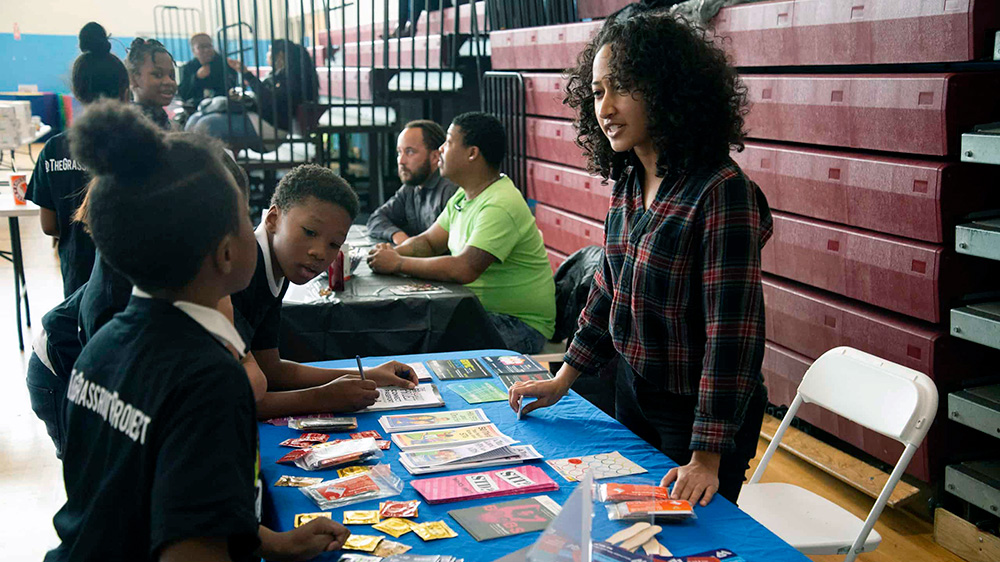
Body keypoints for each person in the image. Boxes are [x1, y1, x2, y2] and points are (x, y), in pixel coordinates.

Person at [46, 100, 349, 561]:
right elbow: (191, 551)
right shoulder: (210, 380)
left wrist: (274, 542)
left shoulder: (104, 344)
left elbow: (168, 497)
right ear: (226, 254)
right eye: (246, 219)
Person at [509, 11, 771, 508]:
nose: (604, 107)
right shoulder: (631, 180)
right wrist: (565, 378)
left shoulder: (722, 192)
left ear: (667, 89)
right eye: (597, 91)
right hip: (632, 388)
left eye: (621, 88)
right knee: (627, 527)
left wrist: (707, 456)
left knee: (685, 542)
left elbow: (732, 337)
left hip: (696, 415)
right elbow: (608, 290)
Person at [26, 132, 264, 459]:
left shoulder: (139, 317)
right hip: (55, 362)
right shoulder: (120, 312)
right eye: (247, 219)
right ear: (223, 251)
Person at [231, 164, 420, 419]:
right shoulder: (236, 275)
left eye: (334, 244)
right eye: (309, 232)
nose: (320, 253)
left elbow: (271, 370)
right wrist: (320, 398)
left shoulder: (278, 267)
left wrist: (368, 374)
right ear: (274, 218)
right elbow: (233, 399)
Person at [368, 112, 556, 354]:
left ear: (472, 153)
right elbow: (429, 242)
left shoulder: (500, 203)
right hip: (477, 312)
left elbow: (464, 268)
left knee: (421, 343)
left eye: (448, 142)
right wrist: (393, 252)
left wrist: (398, 263)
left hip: (519, 325)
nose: (441, 150)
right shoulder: (464, 195)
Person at [26, 22, 129, 298]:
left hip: (78, 283)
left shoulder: (53, 149)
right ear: (125, 90)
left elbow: (49, 226)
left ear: (78, 92)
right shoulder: (137, 145)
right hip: (131, 281)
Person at [367, 120, 458, 244]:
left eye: (410, 152)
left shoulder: (451, 190)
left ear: (435, 157)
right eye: (399, 152)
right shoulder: (410, 187)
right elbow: (376, 218)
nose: (401, 161)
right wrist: (398, 236)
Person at [227, 39, 318, 139]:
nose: (267, 54)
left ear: (280, 55)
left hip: (275, 128)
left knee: (215, 124)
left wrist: (247, 74)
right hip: (267, 122)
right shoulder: (279, 76)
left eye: (269, 50)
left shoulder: (290, 79)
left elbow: (269, 101)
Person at [125, 37, 177, 129]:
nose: (169, 82)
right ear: (133, 79)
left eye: (172, 76)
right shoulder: (130, 127)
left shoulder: (165, 122)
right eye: (158, 75)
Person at [178, 33, 237, 105]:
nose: (206, 50)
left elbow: (231, 88)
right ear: (194, 51)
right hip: (196, 107)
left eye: (209, 46)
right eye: (201, 47)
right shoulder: (189, 67)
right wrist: (196, 77)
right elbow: (183, 94)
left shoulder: (224, 63)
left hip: (222, 106)